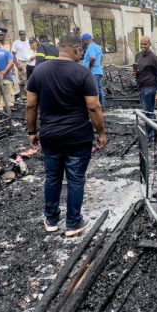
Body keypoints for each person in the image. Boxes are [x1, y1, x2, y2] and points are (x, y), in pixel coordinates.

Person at [26, 32, 106, 237]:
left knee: (52, 177)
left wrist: (32, 131)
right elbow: (94, 107)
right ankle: (73, 223)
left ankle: (51, 219)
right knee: (76, 179)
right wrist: (101, 133)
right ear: (76, 49)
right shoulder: (82, 73)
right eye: (81, 50)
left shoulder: (39, 71)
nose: (82, 54)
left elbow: (30, 105)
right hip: (77, 136)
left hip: (50, 135)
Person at [133, 35, 157, 138]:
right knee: (149, 112)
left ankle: (151, 136)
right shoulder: (137, 55)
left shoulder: (154, 58)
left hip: (150, 88)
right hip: (141, 88)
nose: (143, 46)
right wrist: (134, 72)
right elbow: (137, 71)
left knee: (148, 113)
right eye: (141, 44)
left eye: (145, 44)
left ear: (150, 44)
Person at [0, 28, 23, 100]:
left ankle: (10, 104)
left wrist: (14, 69)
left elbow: (11, 57)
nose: (0, 36)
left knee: (10, 86)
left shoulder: (8, 44)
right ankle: (1, 105)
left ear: (5, 35)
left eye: (2, 35)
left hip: (9, 68)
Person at [81, 33, 105, 108]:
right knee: (99, 88)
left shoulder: (90, 47)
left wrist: (89, 67)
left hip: (93, 72)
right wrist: (98, 65)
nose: (82, 42)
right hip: (98, 70)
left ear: (87, 40)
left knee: (94, 89)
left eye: (83, 40)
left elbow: (93, 57)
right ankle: (102, 105)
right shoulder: (97, 46)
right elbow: (101, 57)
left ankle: (96, 106)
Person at [11, 30, 35, 95]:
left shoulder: (29, 42)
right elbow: (13, 54)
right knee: (23, 78)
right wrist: (17, 64)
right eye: (21, 34)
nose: (22, 35)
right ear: (19, 35)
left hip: (31, 61)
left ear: (25, 34)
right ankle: (22, 95)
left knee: (30, 78)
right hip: (22, 62)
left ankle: (29, 93)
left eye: (23, 34)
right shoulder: (16, 43)